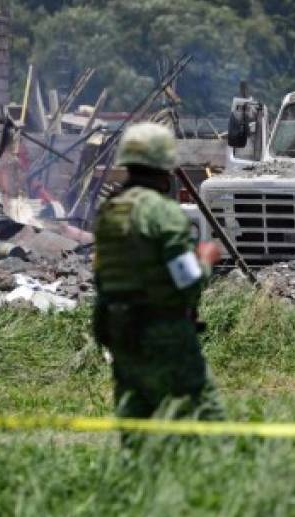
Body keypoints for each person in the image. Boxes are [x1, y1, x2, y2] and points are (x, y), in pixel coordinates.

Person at [93, 122, 225, 444]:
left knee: (135, 416)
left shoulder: (111, 212)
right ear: (165, 169)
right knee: (204, 411)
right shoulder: (163, 213)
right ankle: (220, 477)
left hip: (119, 328)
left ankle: (139, 483)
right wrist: (206, 260)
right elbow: (187, 280)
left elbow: (101, 276)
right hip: (163, 330)